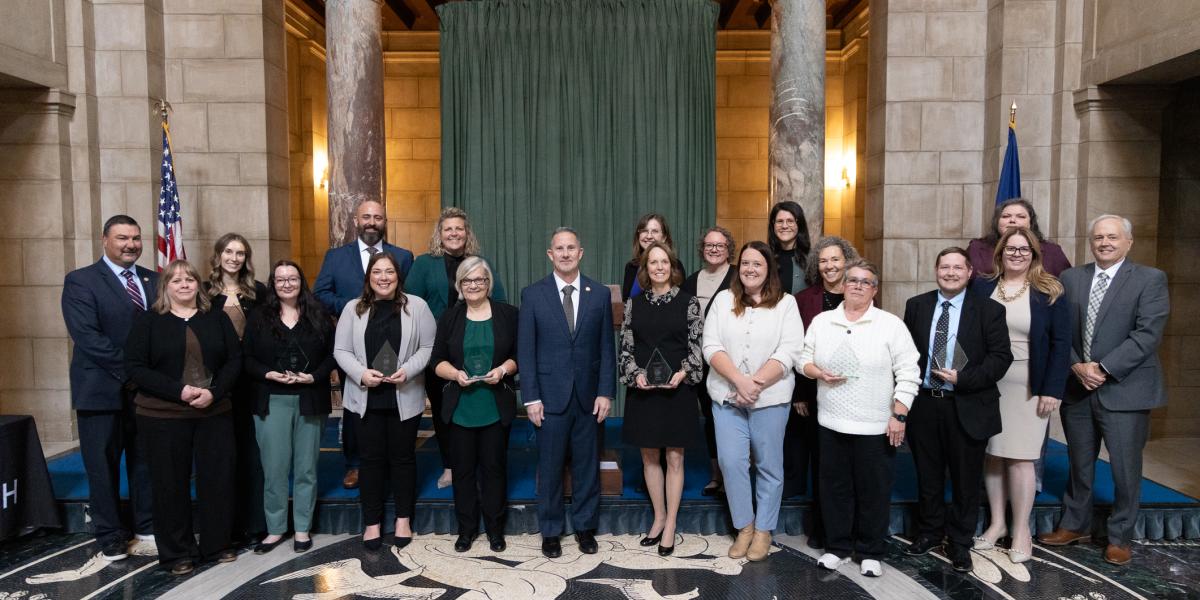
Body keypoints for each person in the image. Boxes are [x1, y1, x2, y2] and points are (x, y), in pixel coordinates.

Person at [1038, 215, 1169, 566]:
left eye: (1112, 237)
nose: (1105, 243)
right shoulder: (1071, 278)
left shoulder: (1149, 279)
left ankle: (1120, 536)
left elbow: (1148, 333)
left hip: (1125, 389)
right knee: (1079, 463)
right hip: (1078, 386)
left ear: (1129, 242)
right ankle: (1075, 524)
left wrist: (1104, 368)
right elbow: (1059, 330)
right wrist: (1076, 365)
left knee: (1125, 468)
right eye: (1098, 237)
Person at [799, 260, 920, 577]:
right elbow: (803, 359)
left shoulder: (890, 325)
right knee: (835, 488)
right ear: (842, 285)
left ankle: (870, 551)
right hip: (831, 422)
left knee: (873, 490)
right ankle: (837, 547)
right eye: (852, 280)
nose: (856, 285)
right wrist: (817, 372)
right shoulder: (823, 321)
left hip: (875, 424)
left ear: (875, 289)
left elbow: (909, 372)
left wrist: (899, 413)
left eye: (865, 282)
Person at [124, 260, 242, 576]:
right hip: (163, 416)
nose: (185, 284)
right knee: (169, 484)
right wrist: (180, 392)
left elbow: (234, 361)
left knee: (217, 480)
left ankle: (217, 544)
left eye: (190, 279)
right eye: (176, 280)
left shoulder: (215, 318)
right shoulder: (149, 322)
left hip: (213, 412)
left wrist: (214, 393)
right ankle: (177, 553)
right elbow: (135, 368)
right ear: (166, 287)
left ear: (198, 285)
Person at [902, 248, 1012, 573]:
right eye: (944, 267)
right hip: (925, 405)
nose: (950, 273)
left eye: (957, 268)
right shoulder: (917, 306)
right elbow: (907, 354)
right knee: (928, 475)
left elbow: (1000, 358)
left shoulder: (989, 310)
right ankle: (930, 531)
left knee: (966, 480)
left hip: (967, 404)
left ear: (969, 273)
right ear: (936, 270)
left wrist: (963, 378)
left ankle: (960, 542)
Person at [972, 227, 1071, 564]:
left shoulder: (1050, 290)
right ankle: (997, 523)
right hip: (989, 383)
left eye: (1024, 249)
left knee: (1022, 458)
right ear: (1000, 252)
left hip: (1030, 384)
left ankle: (1021, 530)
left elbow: (1061, 344)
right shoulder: (983, 286)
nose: (1017, 254)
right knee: (994, 454)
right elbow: (967, 332)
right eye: (1011, 248)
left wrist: (1052, 389)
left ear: (1034, 254)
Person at [61, 215, 157, 561]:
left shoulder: (153, 280)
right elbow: (88, 337)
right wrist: (133, 373)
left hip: (145, 395)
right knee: (102, 466)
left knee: (144, 461)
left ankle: (146, 525)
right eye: (122, 238)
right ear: (105, 240)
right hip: (100, 391)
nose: (131, 244)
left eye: (135, 237)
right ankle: (110, 534)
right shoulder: (81, 281)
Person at [703, 240, 804, 562]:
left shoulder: (785, 304)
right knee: (731, 464)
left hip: (771, 399)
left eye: (757, 264)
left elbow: (789, 351)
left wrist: (755, 383)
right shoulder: (723, 300)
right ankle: (744, 527)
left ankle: (764, 529)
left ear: (768, 269)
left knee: (769, 466)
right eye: (745, 263)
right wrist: (739, 381)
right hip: (726, 397)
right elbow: (711, 346)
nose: (750, 269)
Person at [518, 227, 616, 559]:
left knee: (587, 466)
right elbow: (526, 351)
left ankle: (586, 528)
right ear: (550, 254)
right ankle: (550, 531)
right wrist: (530, 397)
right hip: (548, 398)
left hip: (589, 398)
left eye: (570, 248)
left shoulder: (599, 294)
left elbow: (606, 348)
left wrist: (606, 392)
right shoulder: (533, 295)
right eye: (558, 248)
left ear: (580, 252)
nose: (565, 253)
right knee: (550, 467)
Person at [333, 252, 436, 550]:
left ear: (398, 275)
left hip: (404, 396)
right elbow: (340, 351)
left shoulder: (417, 306)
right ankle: (372, 523)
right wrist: (361, 374)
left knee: (403, 459)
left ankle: (403, 519)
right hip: (366, 397)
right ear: (369, 277)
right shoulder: (353, 309)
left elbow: (429, 346)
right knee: (371, 461)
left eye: (389, 271)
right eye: (377, 272)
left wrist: (409, 370)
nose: (383, 277)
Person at [313, 199, 414, 490]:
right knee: (357, 407)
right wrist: (354, 307)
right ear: (356, 221)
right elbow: (320, 293)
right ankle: (356, 465)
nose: (372, 222)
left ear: (385, 221)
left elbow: (409, 296)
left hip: (394, 341)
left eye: (378, 217)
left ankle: (393, 464)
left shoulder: (403, 256)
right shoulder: (335, 257)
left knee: (395, 404)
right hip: (354, 346)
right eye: (366, 217)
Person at [406, 207, 507, 489]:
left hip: (479, 345)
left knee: (479, 405)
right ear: (440, 233)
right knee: (443, 409)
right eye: (448, 229)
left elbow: (499, 300)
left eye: (459, 228)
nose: (453, 233)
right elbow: (411, 306)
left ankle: (480, 464)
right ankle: (450, 466)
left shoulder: (481, 262)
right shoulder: (424, 264)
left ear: (467, 233)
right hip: (440, 349)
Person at [242, 261, 337, 555]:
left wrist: (315, 376)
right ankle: (275, 529)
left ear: (301, 281)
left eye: (292, 278)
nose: (287, 284)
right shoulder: (258, 317)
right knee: (274, 469)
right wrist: (268, 373)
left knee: (306, 468)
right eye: (280, 279)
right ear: (273, 283)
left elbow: (334, 355)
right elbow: (246, 358)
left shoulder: (318, 314)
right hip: (272, 399)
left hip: (310, 399)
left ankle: (302, 528)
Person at [619, 242, 704, 556]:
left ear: (672, 266)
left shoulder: (689, 302)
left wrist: (682, 373)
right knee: (649, 457)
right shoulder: (634, 304)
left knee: (675, 458)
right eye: (652, 262)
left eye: (663, 262)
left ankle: (671, 525)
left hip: (677, 392)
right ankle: (659, 517)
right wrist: (635, 373)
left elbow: (697, 350)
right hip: (643, 392)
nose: (658, 267)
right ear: (645, 268)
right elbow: (626, 348)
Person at [431, 257, 519, 554]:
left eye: (479, 280)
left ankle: (495, 529)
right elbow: (436, 361)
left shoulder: (508, 315)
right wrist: (455, 374)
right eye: (467, 281)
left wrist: (503, 370)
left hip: (494, 405)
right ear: (459, 285)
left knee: (494, 469)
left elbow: (519, 355)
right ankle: (466, 529)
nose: (473, 285)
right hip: (460, 407)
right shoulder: (449, 319)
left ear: (488, 283)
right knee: (464, 471)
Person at [788, 235, 860, 548]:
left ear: (847, 262)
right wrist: (801, 393)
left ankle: (850, 527)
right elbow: (798, 349)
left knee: (851, 464)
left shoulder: (860, 294)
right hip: (816, 395)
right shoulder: (804, 300)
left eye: (835, 260)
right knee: (824, 464)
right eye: (824, 261)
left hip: (855, 395)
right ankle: (822, 528)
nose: (829, 266)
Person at [203, 233, 269, 546]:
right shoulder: (204, 293)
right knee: (221, 456)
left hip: (253, 384)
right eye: (228, 251)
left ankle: (255, 525)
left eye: (240, 253)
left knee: (252, 455)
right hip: (219, 385)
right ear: (218, 255)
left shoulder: (258, 292)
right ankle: (226, 528)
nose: (234, 258)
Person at [680, 226, 735, 496]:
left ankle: (734, 476)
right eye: (709, 245)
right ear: (702, 249)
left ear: (729, 250)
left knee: (729, 418)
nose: (714, 249)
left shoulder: (738, 278)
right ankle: (717, 476)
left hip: (729, 362)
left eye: (720, 245)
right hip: (698, 361)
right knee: (712, 420)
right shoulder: (691, 281)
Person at [967, 198, 1071, 278]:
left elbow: (1066, 285)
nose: (1012, 220)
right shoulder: (976, 248)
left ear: (1031, 223)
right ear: (997, 222)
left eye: (1020, 216)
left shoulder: (1052, 251)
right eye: (1006, 216)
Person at [621, 213, 676, 301]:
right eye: (644, 231)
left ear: (664, 237)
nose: (649, 236)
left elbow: (680, 302)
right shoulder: (631, 266)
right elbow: (626, 302)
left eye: (654, 231)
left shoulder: (674, 265)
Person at [767, 201, 811, 295]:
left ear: (799, 225)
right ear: (773, 225)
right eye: (780, 221)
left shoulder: (811, 258)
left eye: (790, 221)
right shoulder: (765, 257)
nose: (784, 226)